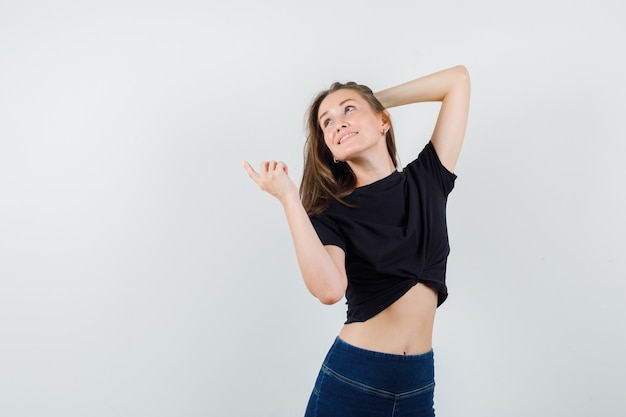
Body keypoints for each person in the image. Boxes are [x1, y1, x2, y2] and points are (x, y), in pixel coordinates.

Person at [242, 65, 470, 417]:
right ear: (331, 150)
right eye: (327, 123)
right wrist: (289, 199)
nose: (338, 123)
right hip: (354, 380)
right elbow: (329, 290)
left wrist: (374, 99)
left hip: (419, 383)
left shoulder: (428, 178)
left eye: (348, 109)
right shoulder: (332, 215)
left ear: (383, 122)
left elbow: (457, 81)